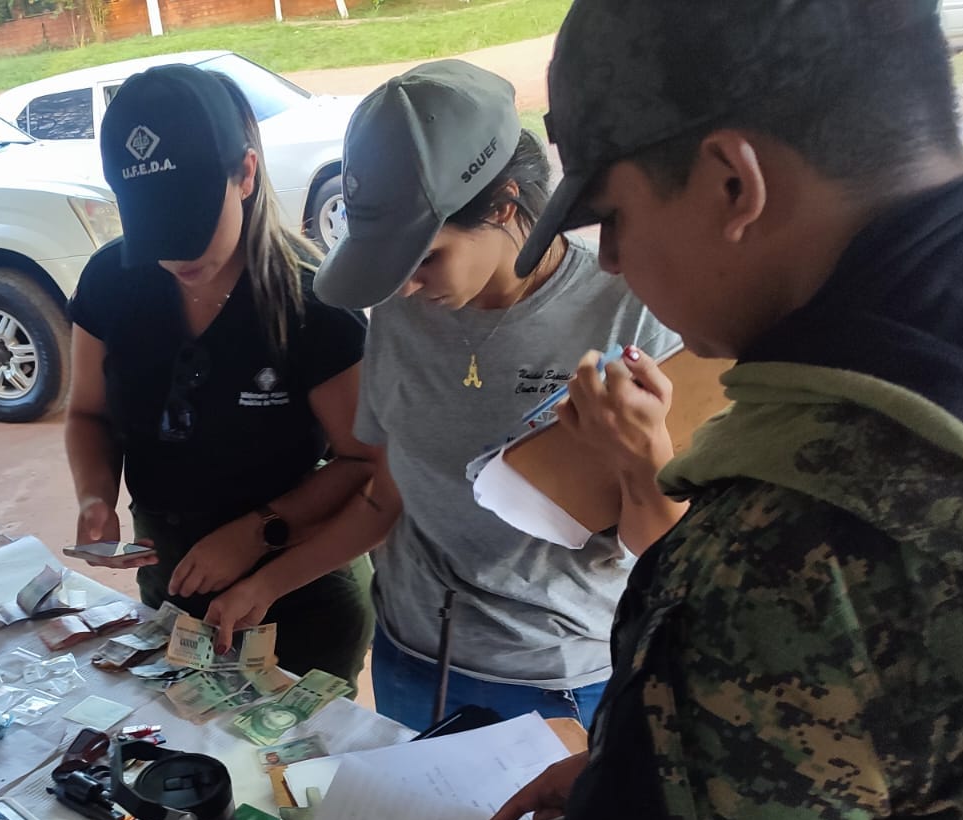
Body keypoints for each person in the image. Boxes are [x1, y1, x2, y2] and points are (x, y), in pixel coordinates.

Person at [353, 1, 963, 820]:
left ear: (731, 181)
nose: (618, 264)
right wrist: (642, 780)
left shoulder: (805, 538)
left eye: (614, 219)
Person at [204, 61, 682, 731]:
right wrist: (266, 583)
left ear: (508, 205)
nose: (404, 287)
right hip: (413, 662)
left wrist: (642, 457)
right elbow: (389, 495)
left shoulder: (630, 316)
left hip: (556, 685)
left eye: (425, 258)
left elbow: (664, 554)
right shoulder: (403, 309)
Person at [63, 65, 377, 685]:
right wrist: (95, 494)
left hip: (299, 591)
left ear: (246, 175)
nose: (175, 254)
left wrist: (259, 532)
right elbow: (88, 413)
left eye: (190, 223)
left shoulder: (313, 302)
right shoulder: (112, 282)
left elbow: (364, 465)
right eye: (154, 225)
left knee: (287, 773)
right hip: (174, 581)